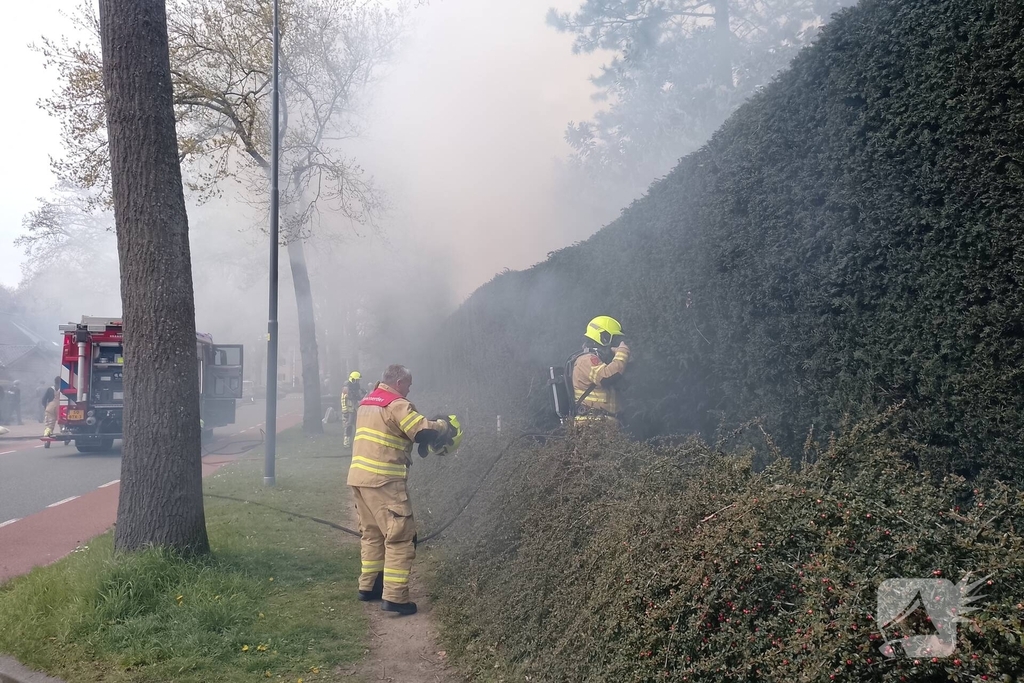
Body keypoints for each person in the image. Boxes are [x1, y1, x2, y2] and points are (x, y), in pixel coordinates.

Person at [347, 364, 462, 616]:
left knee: (372, 534)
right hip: (384, 481)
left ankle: (369, 587)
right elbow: (421, 430)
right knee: (400, 536)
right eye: (408, 384)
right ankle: (396, 597)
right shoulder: (396, 403)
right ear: (398, 382)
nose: (410, 389)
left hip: (358, 478)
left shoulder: (368, 402)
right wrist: (442, 426)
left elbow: (392, 432)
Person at [571, 316, 630, 422]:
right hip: (591, 424)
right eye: (614, 339)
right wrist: (622, 353)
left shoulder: (601, 361)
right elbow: (606, 377)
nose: (615, 343)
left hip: (603, 424)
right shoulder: (586, 360)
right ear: (604, 337)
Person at [340, 370, 366, 447]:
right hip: (349, 410)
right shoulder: (346, 388)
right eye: (357, 380)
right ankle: (346, 441)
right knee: (348, 426)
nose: (358, 382)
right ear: (353, 380)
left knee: (357, 425)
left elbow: (358, 398)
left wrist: (364, 394)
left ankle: (357, 441)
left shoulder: (356, 388)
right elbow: (343, 399)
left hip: (355, 409)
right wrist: (345, 410)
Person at [42, 377, 60, 448]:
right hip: (60, 407)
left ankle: (47, 439)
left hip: (50, 407)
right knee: (62, 423)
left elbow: (44, 399)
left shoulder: (49, 389)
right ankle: (64, 434)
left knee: (49, 425)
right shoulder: (62, 389)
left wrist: (45, 407)